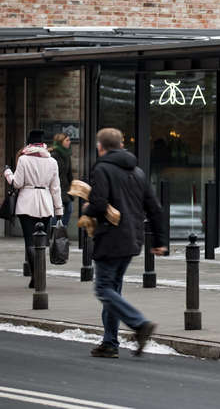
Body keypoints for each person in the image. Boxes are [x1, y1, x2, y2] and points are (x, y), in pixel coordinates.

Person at [83, 128, 166, 358]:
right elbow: (154, 208)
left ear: (101, 147)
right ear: (121, 145)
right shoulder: (137, 172)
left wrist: (87, 209)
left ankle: (140, 324)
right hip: (131, 239)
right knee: (113, 290)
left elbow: (99, 204)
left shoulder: (102, 169)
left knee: (103, 289)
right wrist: (159, 240)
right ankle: (110, 342)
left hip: (110, 238)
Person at [3, 129, 63, 288]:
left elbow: (17, 183)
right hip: (46, 203)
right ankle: (39, 276)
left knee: (30, 241)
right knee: (41, 242)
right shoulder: (52, 161)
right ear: (43, 144)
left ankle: (36, 276)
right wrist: (59, 210)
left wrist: (8, 173)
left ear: (29, 143)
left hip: (27, 203)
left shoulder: (23, 159)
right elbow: (55, 188)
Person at [50, 133, 74, 227]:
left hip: (65, 188)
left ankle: (62, 231)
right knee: (56, 212)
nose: (69, 142)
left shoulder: (67, 155)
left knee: (69, 209)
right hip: (56, 188)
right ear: (60, 142)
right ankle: (53, 232)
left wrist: (72, 187)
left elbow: (69, 174)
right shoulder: (53, 155)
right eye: (67, 140)